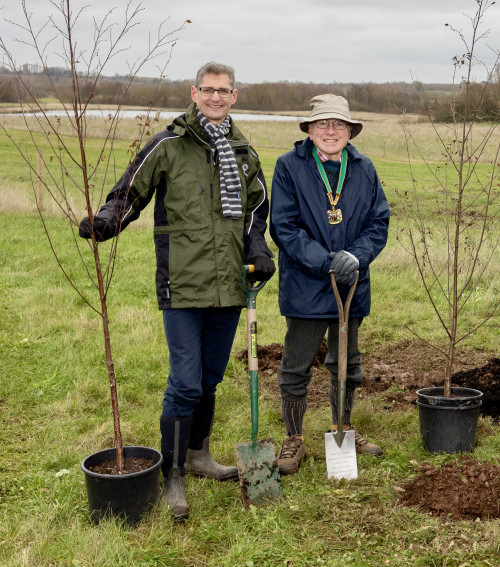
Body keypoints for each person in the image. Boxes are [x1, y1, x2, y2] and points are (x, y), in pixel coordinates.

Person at [78, 62, 274, 521]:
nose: (215, 97)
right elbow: (130, 192)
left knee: (209, 378)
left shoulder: (244, 151)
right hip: (181, 284)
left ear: (235, 95)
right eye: (207, 90)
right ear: (194, 92)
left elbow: (255, 208)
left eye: (223, 91)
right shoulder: (168, 145)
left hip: (229, 284)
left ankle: (198, 453)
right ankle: (173, 477)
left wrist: (258, 247)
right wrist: (108, 221)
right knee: (184, 382)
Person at [269, 94, 390, 475]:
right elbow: (284, 226)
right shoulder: (289, 166)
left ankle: (343, 428)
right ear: (310, 129)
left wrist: (355, 257)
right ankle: (294, 438)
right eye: (323, 124)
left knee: (347, 362)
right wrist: (324, 262)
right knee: (297, 364)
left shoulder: (364, 168)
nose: (331, 131)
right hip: (307, 283)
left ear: (350, 130)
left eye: (339, 124)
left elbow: (378, 222)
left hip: (351, 283)